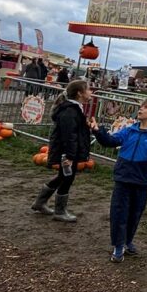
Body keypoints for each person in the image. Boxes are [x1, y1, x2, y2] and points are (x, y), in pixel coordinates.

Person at [90, 100, 147, 263]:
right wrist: (98, 132)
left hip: (141, 180)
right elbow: (110, 142)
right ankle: (118, 246)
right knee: (119, 212)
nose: (141, 109)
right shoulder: (129, 131)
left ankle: (128, 240)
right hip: (123, 177)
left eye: (145, 108)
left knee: (135, 213)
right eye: (141, 107)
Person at [30, 80, 93, 223]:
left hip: (69, 151)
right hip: (67, 152)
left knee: (62, 177)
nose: (91, 92)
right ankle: (59, 211)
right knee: (67, 179)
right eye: (88, 89)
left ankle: (40, 203)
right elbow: (69, 135)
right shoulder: (70, 111)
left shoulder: (75, 108)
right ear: (79, 93)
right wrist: (70, 156)